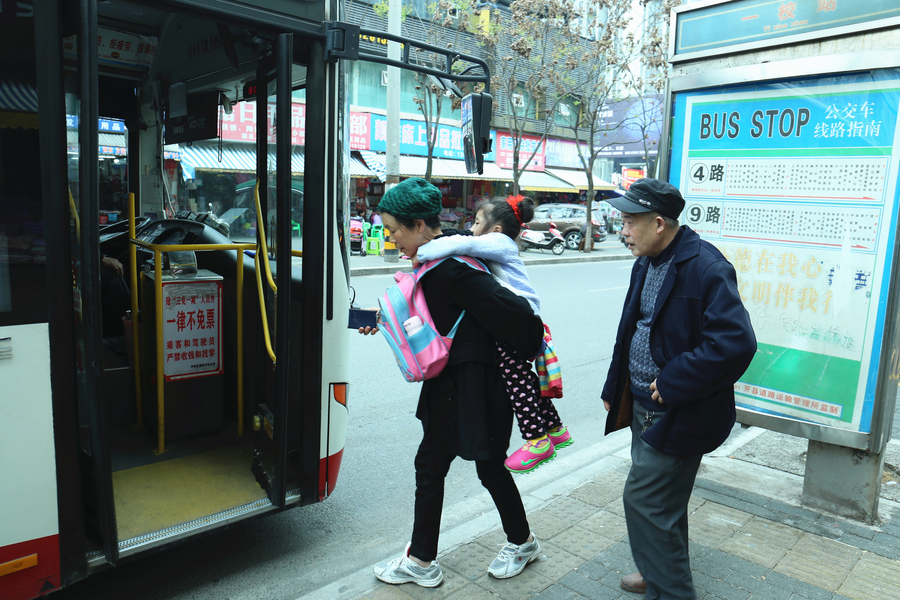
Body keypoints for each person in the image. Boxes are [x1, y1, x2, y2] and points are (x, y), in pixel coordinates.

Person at [360, 178, 545, 588]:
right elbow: (434, 318)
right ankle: (426, 559)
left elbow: (523, 323)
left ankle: (514, 543)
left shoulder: (455, 269)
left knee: (486, 469)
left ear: (421, 225)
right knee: (439, 466)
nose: (392, 239)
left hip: (479, 388)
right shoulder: (436, 263)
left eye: (394, 230)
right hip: (453, 386)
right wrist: (381, 321)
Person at [600, 178, 756, 599]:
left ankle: (671, 591)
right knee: (663, 505)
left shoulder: (705, 266)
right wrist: (616, 386)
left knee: (644, 502)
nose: (624, 230)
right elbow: (633, 329)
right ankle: (657, 571)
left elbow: (735, 344)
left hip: (677, 411)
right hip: (642, 406)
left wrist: (671, 382)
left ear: (658, 223)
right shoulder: (646, 261)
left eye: (631, 221)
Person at [415, 195, 571, 474]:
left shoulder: (499, 243)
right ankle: (555, 429)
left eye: (476, 222)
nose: (472, 228)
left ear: (496, 230)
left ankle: (536, 439)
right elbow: (464, 236)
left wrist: (423, 251)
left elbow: (464, 242)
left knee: (515, 378)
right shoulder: (499, 243)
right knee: (521, 376)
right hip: (520, 311)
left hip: (521, 311)